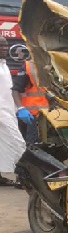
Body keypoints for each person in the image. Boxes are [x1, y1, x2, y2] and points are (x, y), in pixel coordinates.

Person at [0, 36, 26, 186]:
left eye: (5, 46)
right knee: (18, 143)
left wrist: (17, 109)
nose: (4, 49)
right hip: (2, 114)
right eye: (1, 46)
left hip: (8, 111)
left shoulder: (4, 65)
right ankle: (22, 177)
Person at [12, 54, 47, 144]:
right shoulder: (28, 66)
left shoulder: (60, 66)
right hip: (32, 116)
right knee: (32, 148)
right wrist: (20, 108)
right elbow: (16, 90)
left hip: (52, 115)